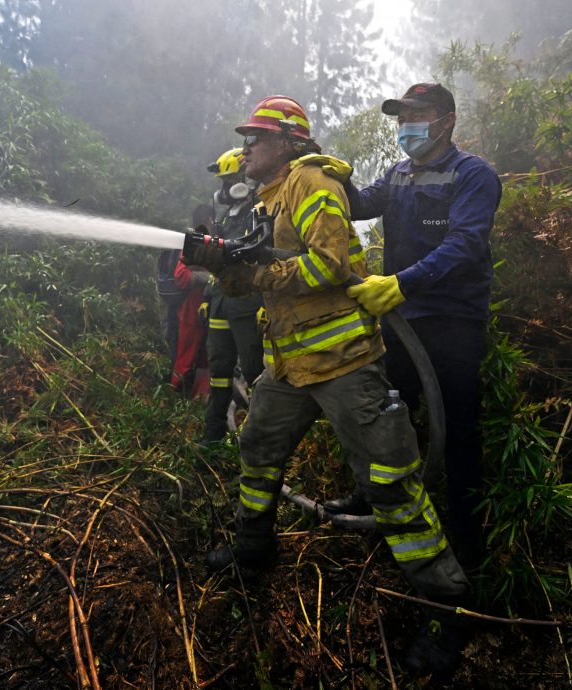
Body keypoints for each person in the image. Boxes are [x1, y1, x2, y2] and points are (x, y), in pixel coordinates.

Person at [185, 94, 471, 679]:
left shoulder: (312, 182)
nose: (245, 148)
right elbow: (260, 281)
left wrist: (256, 270)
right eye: (245, 138)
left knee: (390, 482)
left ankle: (446, 607)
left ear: (289, 144)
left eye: (256, 138)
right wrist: (225, 266)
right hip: (288, 368)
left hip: (342, 363)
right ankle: (253, 548)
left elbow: (326, 267)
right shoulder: (266, 199)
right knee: (258, 450)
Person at [341, 83, 502, 574]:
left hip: (453, 320)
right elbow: (361, 205)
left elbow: (465, 244)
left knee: (456, 428)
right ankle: (378, 501)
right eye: (400, 115)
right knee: (393, 413)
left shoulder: (472, 174)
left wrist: (403, 284)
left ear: (446, 119)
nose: (405, 124)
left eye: (417, 113)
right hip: (404, 321)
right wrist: (333, 176)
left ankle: (467, 545)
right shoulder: (399, 173)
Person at [198, 148, 265, 446]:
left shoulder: (260, 210)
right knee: (219, 368)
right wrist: (207, 295)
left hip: (247, 304)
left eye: (230, 180)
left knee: (254, 371)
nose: (225, 188)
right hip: (221, 303)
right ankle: (213, 434)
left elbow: (259, 256)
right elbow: (218, 262)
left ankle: (259, 441)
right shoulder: (227, 215)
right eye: (223, 182)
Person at [170, 204, 213, 397]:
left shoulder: (209, 241)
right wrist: (211, 279)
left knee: (207, 355)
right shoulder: (194, 242)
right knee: (186, 355)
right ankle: (172, 395)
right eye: (212, 219)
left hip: (208, 309)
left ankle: (200, 397)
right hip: (191, 310)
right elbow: (181, 277)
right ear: (207, 221)